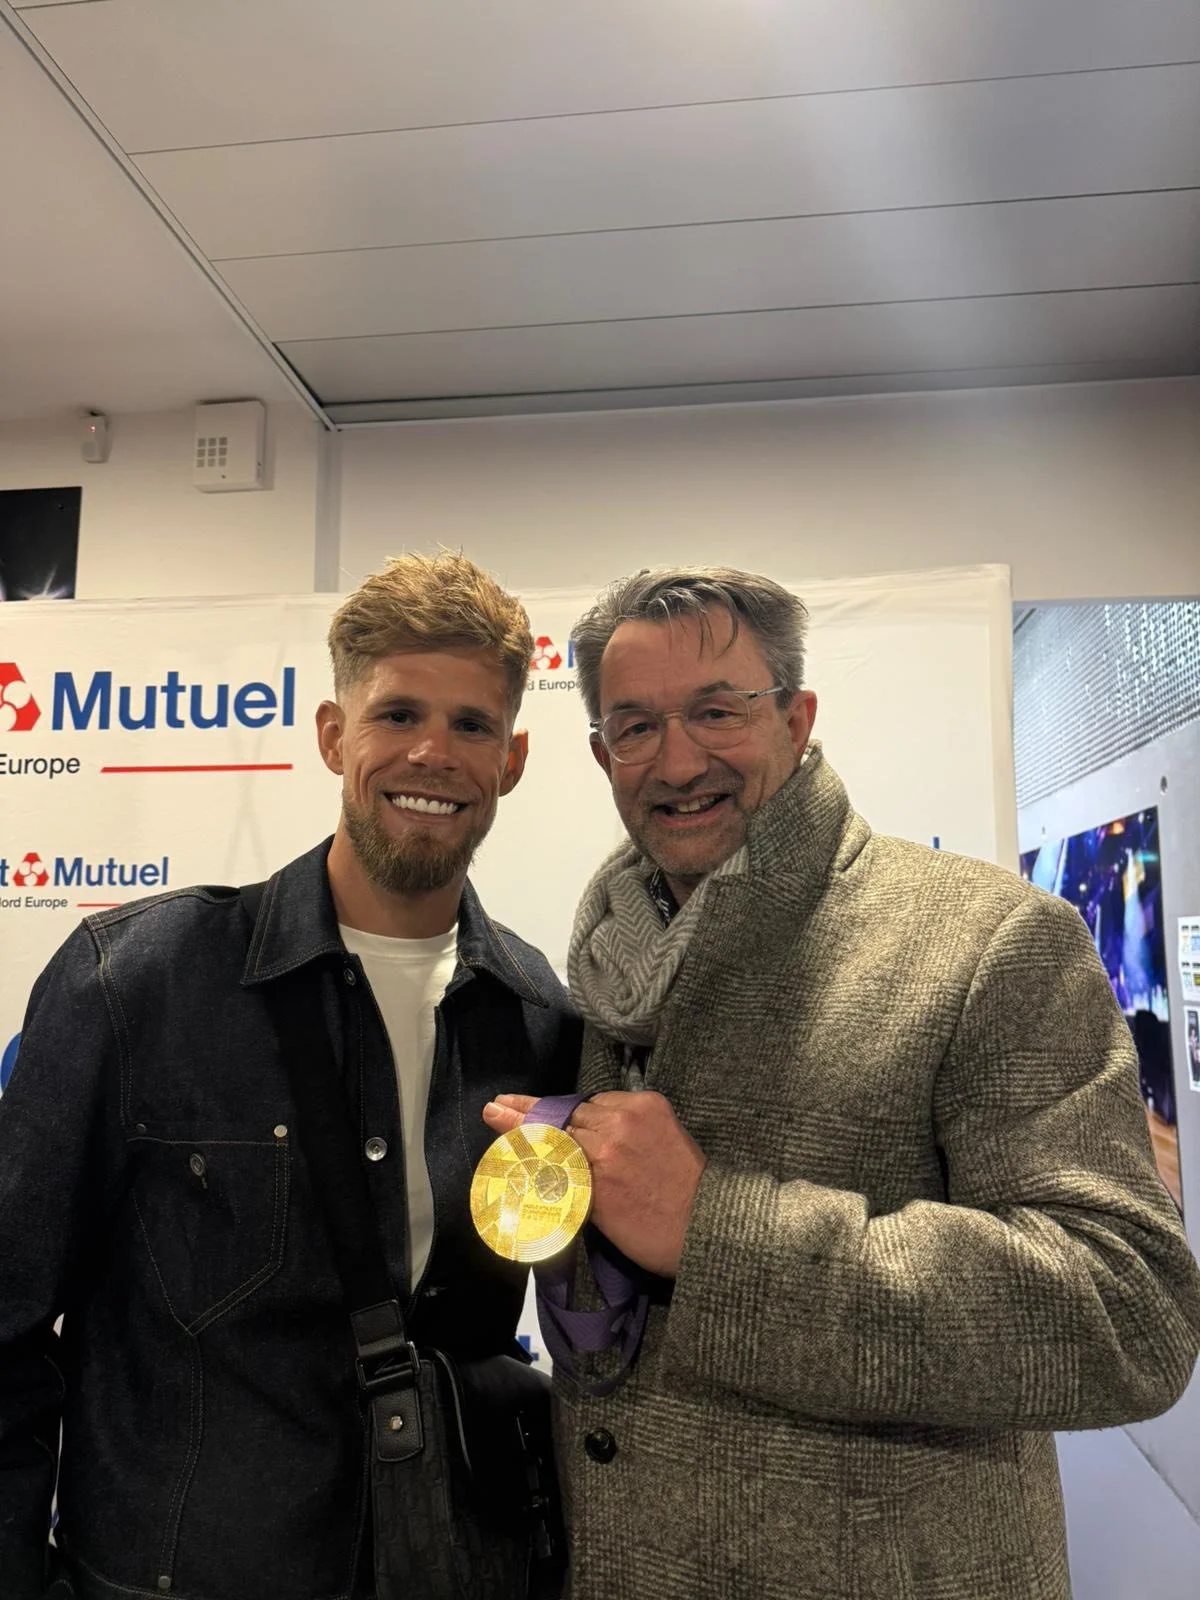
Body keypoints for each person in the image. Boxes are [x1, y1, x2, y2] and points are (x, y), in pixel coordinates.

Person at [484, 565, 1200, 1600]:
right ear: (603, 753)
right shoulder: (610, 960)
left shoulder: (991, 938)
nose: (676, 760)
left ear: (797, 717)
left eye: (718, 711)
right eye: (635, 726)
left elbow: (1130, 1313)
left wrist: (714, 1230)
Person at [0, 552, 579, 1600]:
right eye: (397, 714)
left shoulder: (539, 1014)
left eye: (471, 724)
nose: (433, 752)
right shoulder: (136, 982)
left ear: (514, 758)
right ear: (331, 735)